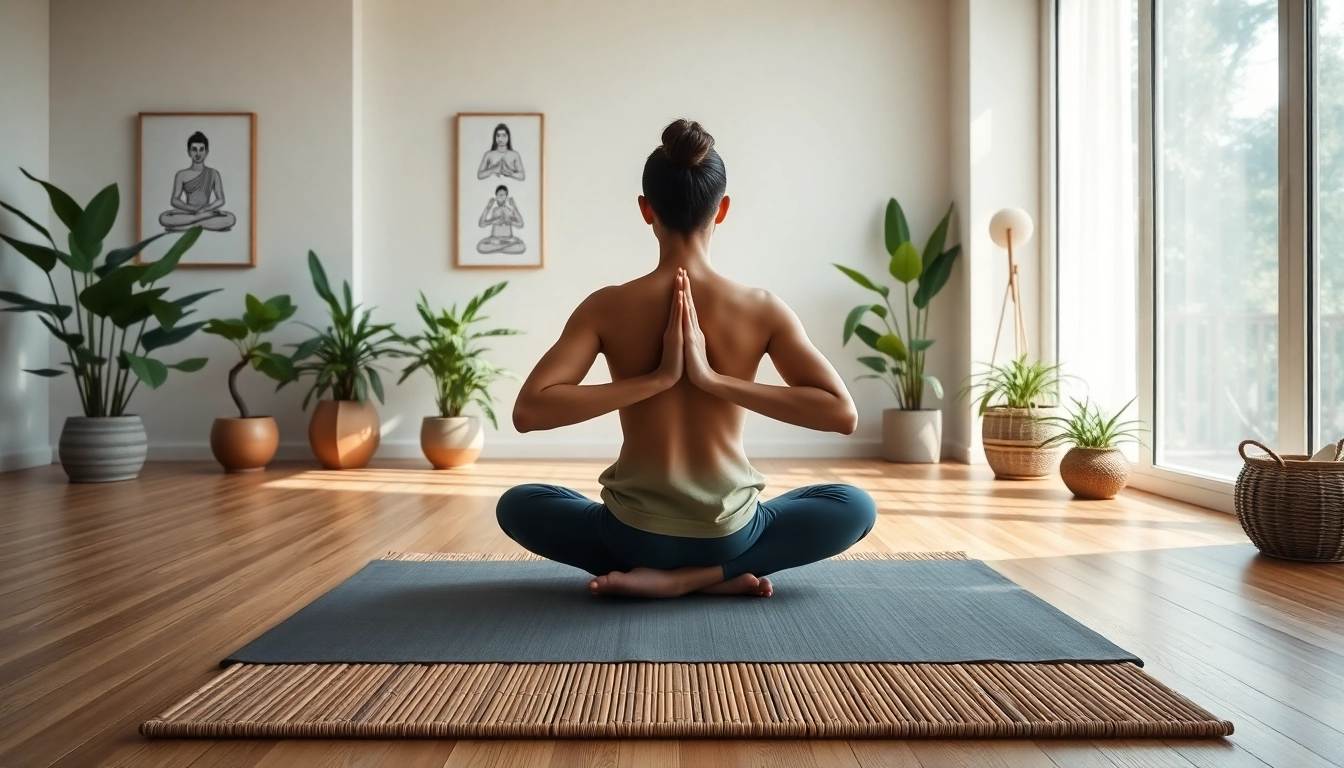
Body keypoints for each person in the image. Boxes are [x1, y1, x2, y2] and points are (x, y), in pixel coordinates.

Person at [496, 119, 876, 599]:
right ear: (722, 211)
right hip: (731, 534)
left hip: (629, 536)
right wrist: (699, 379)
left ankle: (671, 577)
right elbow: (841, 414)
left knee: (520, 503)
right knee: (851, 505)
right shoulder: (761, 308)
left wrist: (670, 379)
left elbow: (529, 412)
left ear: (645, 209)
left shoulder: (606, 306)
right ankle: (710, 574)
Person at [158, 131, 236, 232]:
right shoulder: (181, 174)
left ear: (207, 151)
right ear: (189, 152)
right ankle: (200, 223)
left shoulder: (213, 173)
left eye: (201, 149)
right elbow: (174, 200)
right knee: (164, 217)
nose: (198, 154)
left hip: (206, 211)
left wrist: (207, 209)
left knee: (231, 218)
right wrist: (192, 209)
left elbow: (221, 199)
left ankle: (185, 227)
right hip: (189, 212)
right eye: (194, 150)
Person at [477, 185, 526, 254]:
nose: (498, 198)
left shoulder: (510, 210)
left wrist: (511, 219)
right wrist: (487, 209)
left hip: (508, 240)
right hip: (494, 240)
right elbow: (481, 224)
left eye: (501, 195)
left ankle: (497, 250)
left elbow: (521, 224)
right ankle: (504, 249)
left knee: (521, 247)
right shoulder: (494, 210)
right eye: (497, 196)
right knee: (480, 246)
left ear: (506, 197)